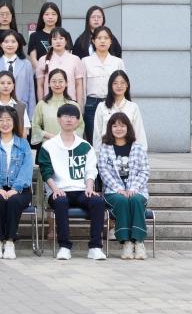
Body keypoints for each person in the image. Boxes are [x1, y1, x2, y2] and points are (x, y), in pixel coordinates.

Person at [37, 102, 107, 260]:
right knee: (61, 202)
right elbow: (45, 171)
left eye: (73, 117)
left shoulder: (85, 146)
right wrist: (55, 189)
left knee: (98, 201)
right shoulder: (48, 146)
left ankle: (95, 247)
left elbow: (91, 170)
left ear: (78, 121)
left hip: (81, 190)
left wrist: (89, 187)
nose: (69, 119)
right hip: (59, 190)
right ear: (59, 119)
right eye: (65, 116)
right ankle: (64, 247)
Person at [0, 105, 34, 260]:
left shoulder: (23, 144)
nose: (5, 123)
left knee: (13, 201)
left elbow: (26, 169)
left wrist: (15, 188)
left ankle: (10, 241)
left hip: (20, 189)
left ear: (14, 122)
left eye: (8, 120)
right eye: (1, 120)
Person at [97, 112, 150, 260]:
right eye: (115, 126)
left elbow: (144, 171)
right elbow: (103, 171)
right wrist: (118, 189)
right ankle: (126, 242)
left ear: (128, 127)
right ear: (110, 128)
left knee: (135, 199)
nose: (118, 129)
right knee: (122, 200)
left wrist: (133, 188)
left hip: (137, 189)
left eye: (122, 125)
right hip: (113, 190)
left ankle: (138, 242)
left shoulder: (138, 148)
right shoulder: (105, 148)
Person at [82, 27, 125, 142]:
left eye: (106, 38)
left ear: (111, 41)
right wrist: (82, 108)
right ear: (93, 41)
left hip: (112, 103)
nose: (102, 41)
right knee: (93, 139)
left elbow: (123, 85)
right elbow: (82, 87)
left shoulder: (117, 62)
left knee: (112, 138)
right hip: (91, 104)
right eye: (99, 38)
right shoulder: (85, 61)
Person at [0, 29, 35, 121]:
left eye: (13, 41)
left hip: (21, 110)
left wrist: (31, 116)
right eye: (6, 42)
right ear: (1, 44)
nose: (10, 44)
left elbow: (31, 91)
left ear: (18, 44)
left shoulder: (26, 64)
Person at [93, 70, 148, 147]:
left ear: (127, 85)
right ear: (110, 85)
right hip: (107, 149)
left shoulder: (133, 107)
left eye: (122, 83)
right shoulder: (102, 106)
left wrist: (142, 150)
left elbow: (139, 132)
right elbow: (97, 133)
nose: (119, 86)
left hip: (128, 149)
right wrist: (98, 151)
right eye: (115, 83)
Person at [36, 28, 86, 109]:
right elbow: (40, 85)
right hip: (49, 103)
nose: (58, 41)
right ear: (50, 41)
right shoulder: (43, 60)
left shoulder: (75, 59)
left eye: (61, 38)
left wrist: (79, 106)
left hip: (70, 103)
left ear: (66, 41)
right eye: (54, 39)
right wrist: (41, 105)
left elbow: (79, 85)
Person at [33, 69, 84, 144]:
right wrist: (51, 136)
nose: (57, 84)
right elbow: (35, 127)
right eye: (54, 81)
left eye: (60, 81)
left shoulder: (74, 105)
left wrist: (66, 137)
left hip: (69, 144)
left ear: (66, 83)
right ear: (49, 84)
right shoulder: (42, 104)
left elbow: (80, 126)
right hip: (49, 144)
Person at [0, 71, 32, 140]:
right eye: (2, 83)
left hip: (17, 146)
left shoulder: (21, 107)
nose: (6, 86)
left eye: (9, 83)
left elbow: (24, 132)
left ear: (13, 86)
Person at [27, 1, 61, 69]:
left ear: (58, 16)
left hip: (60, 73)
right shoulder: (34, 36)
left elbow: (67, 57)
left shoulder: (65, 35)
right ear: (42, 16)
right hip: (41, 73)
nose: (50, 17)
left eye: (53, 14)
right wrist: (44, 71)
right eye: (47, 14)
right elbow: (33, 60)